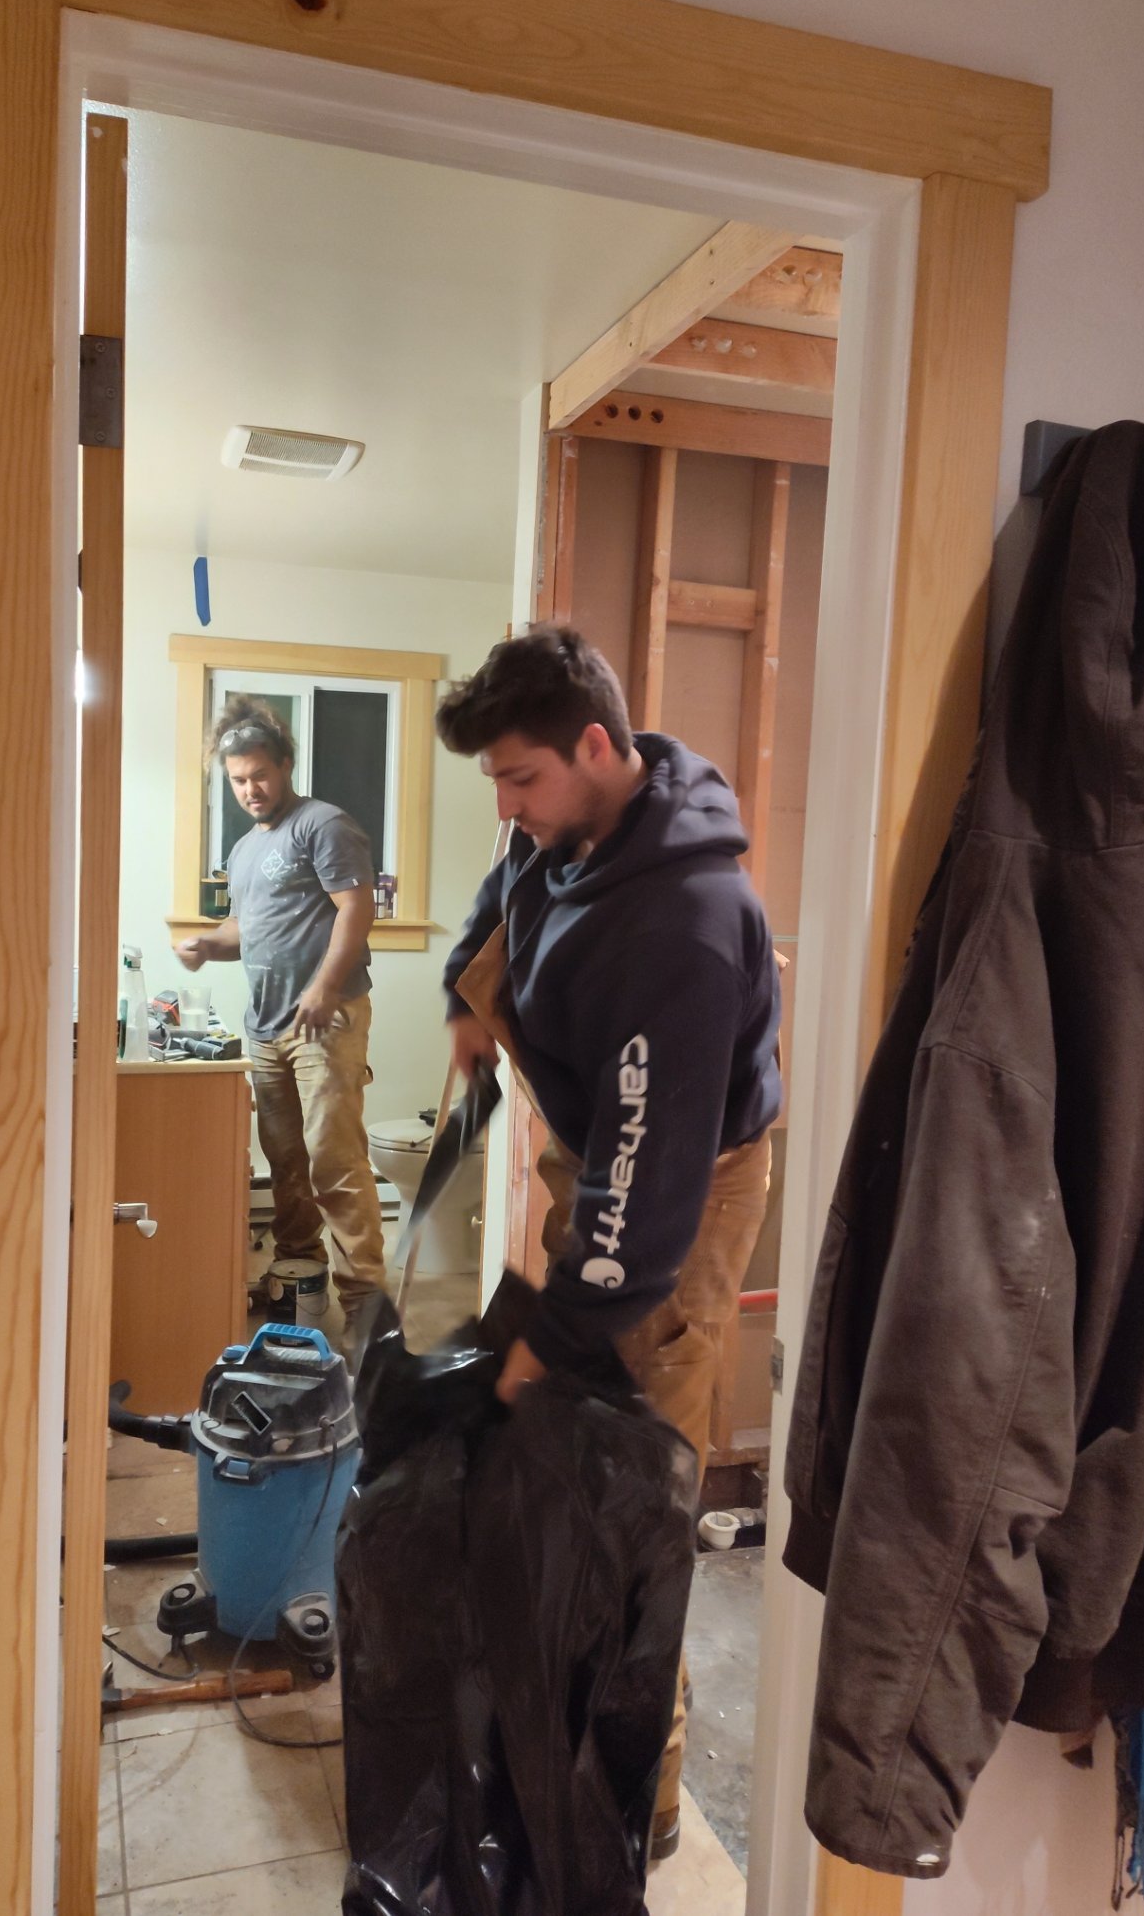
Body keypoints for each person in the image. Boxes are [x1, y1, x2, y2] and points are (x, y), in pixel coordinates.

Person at [438, 627, 782, 1858]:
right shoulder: (569, 823)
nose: (508, 805)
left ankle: (639, 1805)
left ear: (596, 745)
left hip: (680, 1194)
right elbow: (509, 883)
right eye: (497, 781)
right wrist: (467, 995)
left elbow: (642, 1205)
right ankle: (553, 1730)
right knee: (564, 1465)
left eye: (521, 777)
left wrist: (557, 1339)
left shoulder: (683, 927)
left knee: (634, 1489)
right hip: (606, 1148)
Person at [176, 696, 386, 1333]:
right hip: (265, 1028)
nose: (250, 790)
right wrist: (206, 944)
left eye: (260, 775)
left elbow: (356, 908)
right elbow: (246, 928)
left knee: (334, 1162)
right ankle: (299, 1273)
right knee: (287, 1162)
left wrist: (323, 989)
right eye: (238, 780)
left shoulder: (323, 825)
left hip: (325, 1019)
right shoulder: (244, 850)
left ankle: (367, 1308)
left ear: (286, 765)